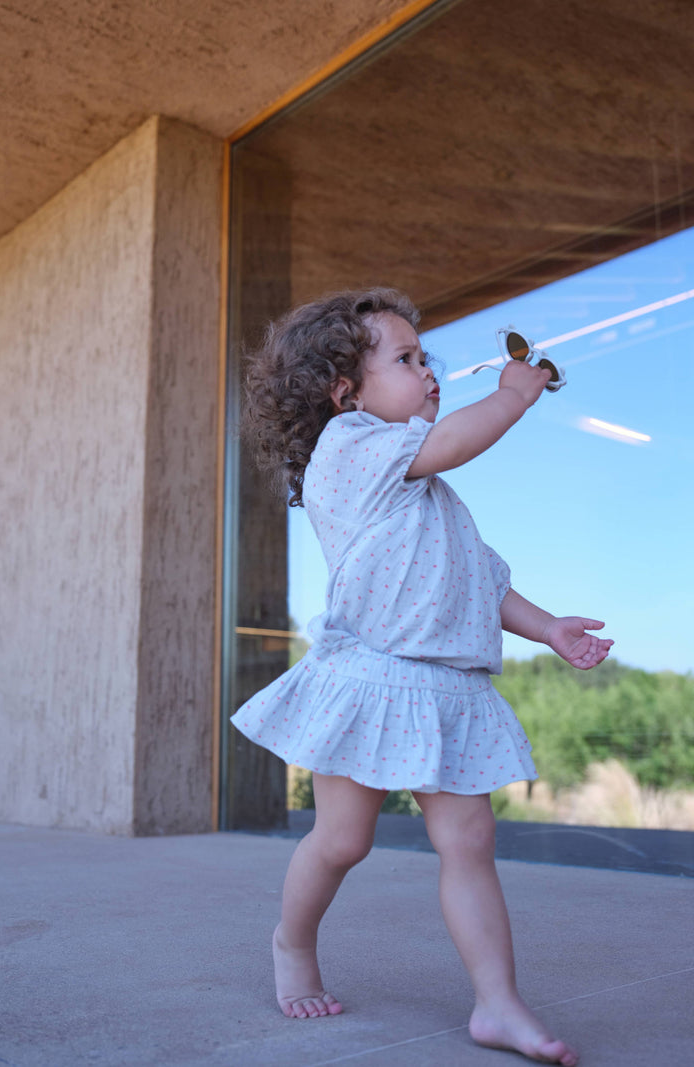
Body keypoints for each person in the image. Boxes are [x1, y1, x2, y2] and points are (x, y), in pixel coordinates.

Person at [231, 287, 613, 1066]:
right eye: (405, 359)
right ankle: (291, 942)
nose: (429, 373)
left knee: (470, 839)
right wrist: (511, 395)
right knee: (341, 840)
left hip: (444, 688)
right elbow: (457, 438)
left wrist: (550, 629)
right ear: (345, 391)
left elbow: (480, 580)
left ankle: (498, 1004)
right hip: (371, 680)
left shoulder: (429, 491)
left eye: (426, 357)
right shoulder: (351, 448)